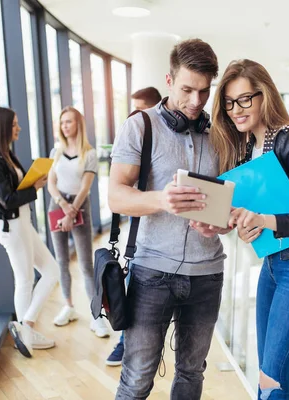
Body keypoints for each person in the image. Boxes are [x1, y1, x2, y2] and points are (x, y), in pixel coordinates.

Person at [210, 59, 289, 400]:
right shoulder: (248, 148)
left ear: (264, 95)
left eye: (244, 99)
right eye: (228, 102)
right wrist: (247, 226)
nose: (235, 109)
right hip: (275, 265)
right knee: (268, 378)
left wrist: (266, 221)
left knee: (275, 384)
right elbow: (262, 214)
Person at [110, 38, 231, 400]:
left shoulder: (220, 136)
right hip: (151, 272)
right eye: (187, 90)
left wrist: (219, 222)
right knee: (137, 378)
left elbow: (228, 211)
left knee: (192, 373)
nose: (196, 102)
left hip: (208, 274)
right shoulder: (140, 127)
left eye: (204, 92)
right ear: (169, 79)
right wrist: (162, 199)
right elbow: (116, 195)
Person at [0, 105, 58, 358]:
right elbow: (8, 199)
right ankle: (26, 332)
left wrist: (34, 183)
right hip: (11, 226)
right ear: (1, 128)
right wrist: (34, 186)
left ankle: (26, 327)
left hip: (22, 222)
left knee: (51, 271)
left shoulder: (6, 156)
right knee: (24, 281)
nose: (18, 128)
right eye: (14, 125)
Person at [105, 85, 162, 367]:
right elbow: (117, 191)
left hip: (161, 234)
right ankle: (123, 342)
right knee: (130, 290)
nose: (134, 116)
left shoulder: (158, 133)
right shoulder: (131, 133)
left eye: (141, 109)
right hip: (137, 230)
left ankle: (128, 343)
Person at [48, 106, 111, 338]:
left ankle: (97, 317)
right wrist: (64, 207)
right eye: (62, 122)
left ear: (78, 124)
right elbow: (51, 183)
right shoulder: (56, 151)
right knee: (61, 260)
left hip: (80, 207)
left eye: (69, 121)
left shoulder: (90, 153)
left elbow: (85, 187)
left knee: (85, 264)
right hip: (58, 207)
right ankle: (69, 307)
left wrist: (72, 211)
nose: (65, 126)